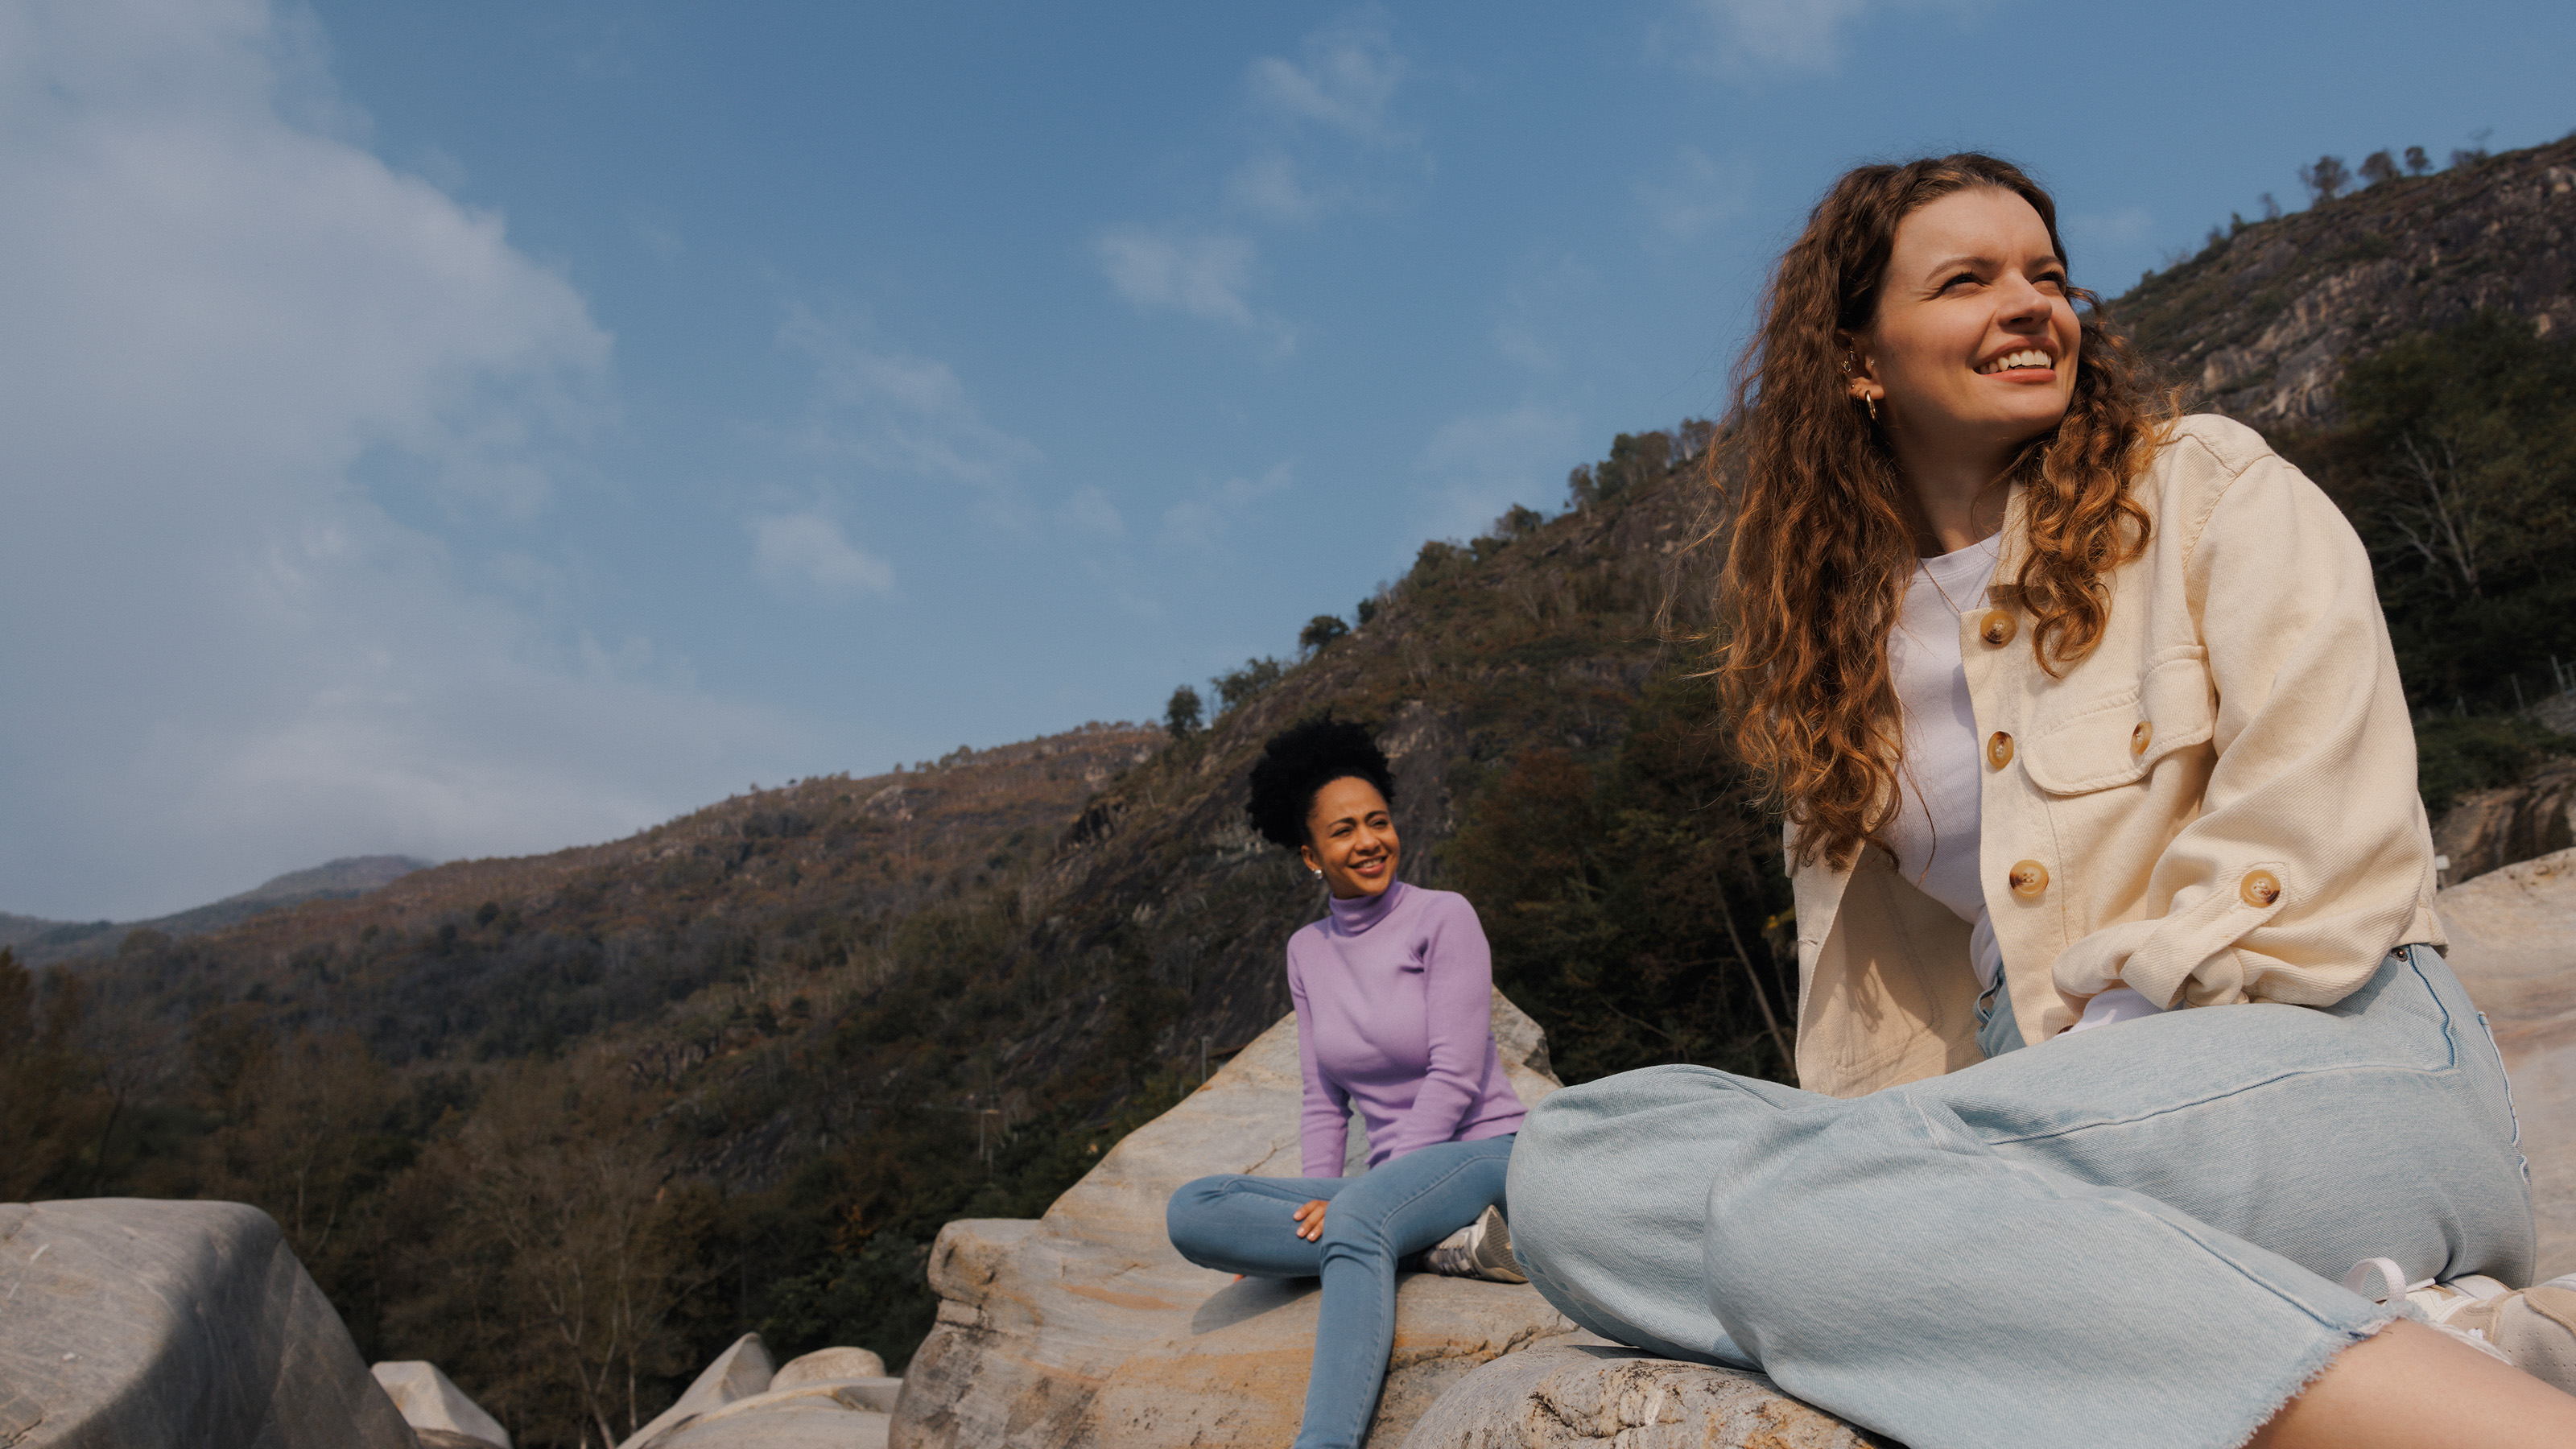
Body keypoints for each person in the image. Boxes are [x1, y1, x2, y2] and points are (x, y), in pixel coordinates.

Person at [1505, 153, 2576, 1449]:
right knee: (1574, 1170)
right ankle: (2407, 1342)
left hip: (2329, 1047)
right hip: (2033, 1119)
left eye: (2049, 277)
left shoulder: (2206, 487)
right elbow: (1869, 1045)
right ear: (1858, 360)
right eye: (1969, 281)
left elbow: (2320, 834)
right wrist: (1909, 1160)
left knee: (1803, 1205)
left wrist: (1937, 1158)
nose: (2032, 305)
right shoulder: (1839, 654)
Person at [1165, 715, 1528, 1449]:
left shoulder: (1442, 918)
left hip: (1487, 1152)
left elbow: (1455, 1075)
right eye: (1343, 832)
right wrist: (1313, 1199)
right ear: (1310, 855)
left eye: (1378, 822)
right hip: (1396, 1186)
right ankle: (1435, 1246)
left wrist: (1364, 1200)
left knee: (1359, 1225)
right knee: (1193, 1209)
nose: (1368, 841)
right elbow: (1323, 1101)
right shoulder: (1307, 951)